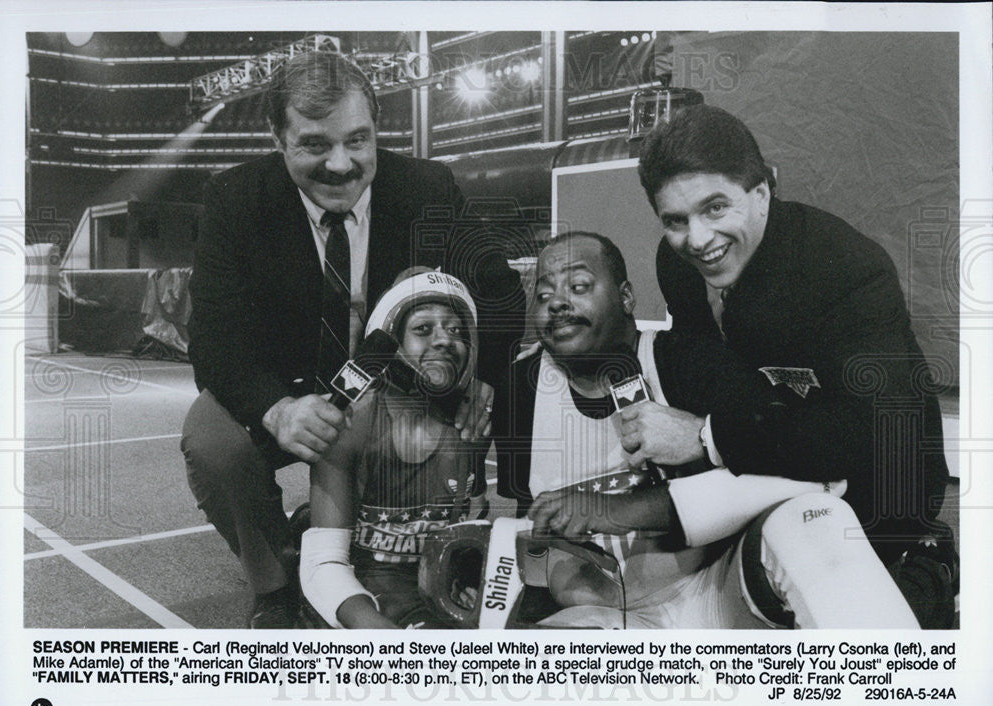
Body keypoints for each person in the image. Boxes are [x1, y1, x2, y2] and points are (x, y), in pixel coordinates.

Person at [181, 51, 524, 628]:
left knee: (520, 390)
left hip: (398, 388)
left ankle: (506, 553)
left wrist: (483, 376)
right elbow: (214, 335)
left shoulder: (427, 188)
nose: (341, 164)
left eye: (357, 141)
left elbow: (501, 292)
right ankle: (277, 583)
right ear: (277, 136)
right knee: (212, 442)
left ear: (376, 131)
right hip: (290, 386)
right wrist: (275, 409)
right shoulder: (234, 199)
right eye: (315, 144)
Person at [493, 231, 920, 628]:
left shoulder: (686, 361)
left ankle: (891, 692)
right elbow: (527, 520)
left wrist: (625, 506)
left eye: (579, 286)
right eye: (544, 294)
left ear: (626, 297)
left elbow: (810, 470)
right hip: (603, 616)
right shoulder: (521, 386)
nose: (557, 303)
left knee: (811, 517)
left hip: (716, 591)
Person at [632, 104, 955, 627]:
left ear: (762, 192)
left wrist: (706, 437)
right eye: (676, 220)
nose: (697, 239)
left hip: (882, 497)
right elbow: (701, 365)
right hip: (767, 471)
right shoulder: (677, 265)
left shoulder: (847, 267)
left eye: (716, 208)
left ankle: (924, 567)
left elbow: (869, 434)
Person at [300, 269, 489, 629]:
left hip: (433, 595)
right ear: (390, 341)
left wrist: (471, 577)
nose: (445, 340)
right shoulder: (350, 423)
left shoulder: (473, 422)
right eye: (423, 329)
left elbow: (471, 524)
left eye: (456, 330)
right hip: (358, 597)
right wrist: (371, 626)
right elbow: (324, 564)